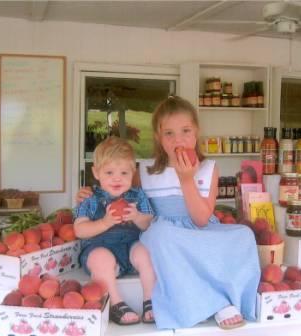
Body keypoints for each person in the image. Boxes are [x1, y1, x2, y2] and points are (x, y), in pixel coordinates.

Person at [77, 96, 260, 330]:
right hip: (164, 236)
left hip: (198, 232)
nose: (178, 139)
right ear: (158, 137)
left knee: (244, 234)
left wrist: (187, 179)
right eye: (169, 133)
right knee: (161, 232)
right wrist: (88, 194)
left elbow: (202, 219)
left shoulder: (208, 169)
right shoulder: (145, 170)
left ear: (196, 133)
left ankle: (230, 296)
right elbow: (114, 188)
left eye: (185, 131)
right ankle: (215, 304)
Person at [74, 136, 156, 325]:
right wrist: (104, 222)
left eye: (124, 173)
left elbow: (148, 223)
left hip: (131, 250)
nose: (117, 178)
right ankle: (114, 302)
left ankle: (150, 299)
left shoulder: (138, 195)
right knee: (101, 258)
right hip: (100, 248)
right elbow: (80, 230)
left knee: (146, 252)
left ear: (133, 172)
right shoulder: (90, 198)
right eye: (109, 172)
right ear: (96, 172)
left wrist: (137, 216)